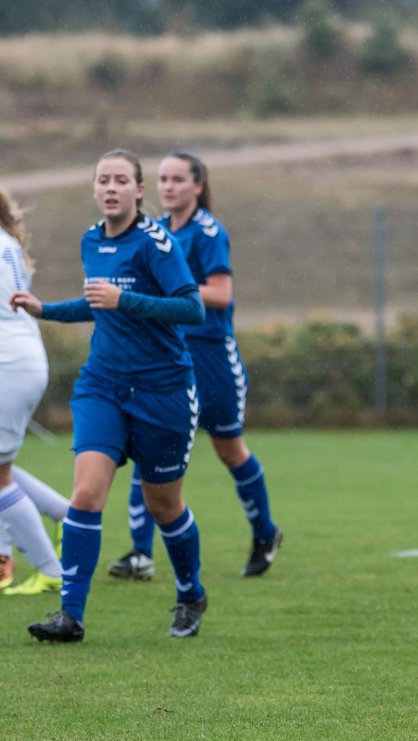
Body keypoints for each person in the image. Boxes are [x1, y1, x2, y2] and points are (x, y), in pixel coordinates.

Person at [9, 149, 209, 643]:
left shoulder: (155, 243)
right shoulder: (91, 241)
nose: (112, 188)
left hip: (162, 391)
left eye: (122, 180)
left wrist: (128, 300)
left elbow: (192, 309)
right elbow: (99, 305)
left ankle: (190, 594)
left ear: (139, 191)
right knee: (86, 494)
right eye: (104, 180)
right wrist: (45, 309)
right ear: (95, 189)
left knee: (164, 506)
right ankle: (70, 616)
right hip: (103, 386)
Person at [107, 151, 282, 582]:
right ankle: (141, 554)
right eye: (163, 179)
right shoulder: (155, 232)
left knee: (229, 450)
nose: (168, 187)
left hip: (210, 358)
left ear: (198, 186)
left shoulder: (208, 232)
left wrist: (172, 292)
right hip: (167, 358)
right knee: (148, 443)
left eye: (178, 179)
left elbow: (221, 294)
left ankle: (265, 532)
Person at [0, 187, 67, 596]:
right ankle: (63, 513)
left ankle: (51, 571)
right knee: (1, 468)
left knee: (0, 476)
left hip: (7, 364)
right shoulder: (7, 242)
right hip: (20, 360)